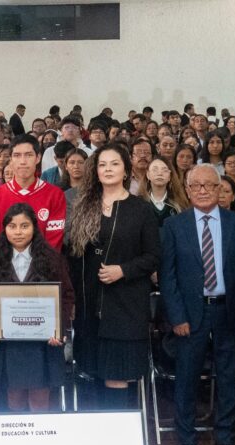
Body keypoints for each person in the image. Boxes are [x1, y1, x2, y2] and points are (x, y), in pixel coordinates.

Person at [159, 165, 235, 445]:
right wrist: (177, 316)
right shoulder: (174, 226)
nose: (202, 190)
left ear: (220, 190)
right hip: (190, 314)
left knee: (229, 378)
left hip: (229, 311)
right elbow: (168, 277)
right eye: (195, 186)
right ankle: (187, 442)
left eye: (209, 185)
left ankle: (225, 439)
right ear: (186, 190)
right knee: (187, 379)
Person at [68, 142, 161, 408]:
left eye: (114, 164)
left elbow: (154, 256)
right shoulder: (83, 206)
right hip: (89, 305)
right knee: (92, 373)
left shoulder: (141, 209)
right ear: (95, 171)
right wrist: (73, 299)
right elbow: (74, 258)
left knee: (117, 377)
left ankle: (118, 443)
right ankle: (97, 443)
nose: (108, 169)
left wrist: (124, 270)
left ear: (126, 169)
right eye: (102, 164)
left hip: (125, 306)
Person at [0, 203, 75, 411]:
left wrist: (60, 329)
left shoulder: (52, 259)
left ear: (34, 228)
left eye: (24, 226)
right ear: (4, 229)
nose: (18, 232)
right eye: (12, 226)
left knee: (40, 401)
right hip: (7, 346)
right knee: (14, 400)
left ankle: (42, 443)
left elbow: (67, 296)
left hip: (43, 344)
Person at [0, 134, 67, 254]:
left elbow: (53, 243)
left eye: (29, 155)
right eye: (17, 155)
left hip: (43, 268)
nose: (23, 161)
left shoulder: (55, 195)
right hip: (3, 269)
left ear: (38, 158)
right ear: (10, 159)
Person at [140, 157, 184, 224]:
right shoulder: (139, 202)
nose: (160, 174)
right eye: (155, 170)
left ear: (169, 176)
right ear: (148, 175)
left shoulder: (178, 204)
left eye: (164, 170)